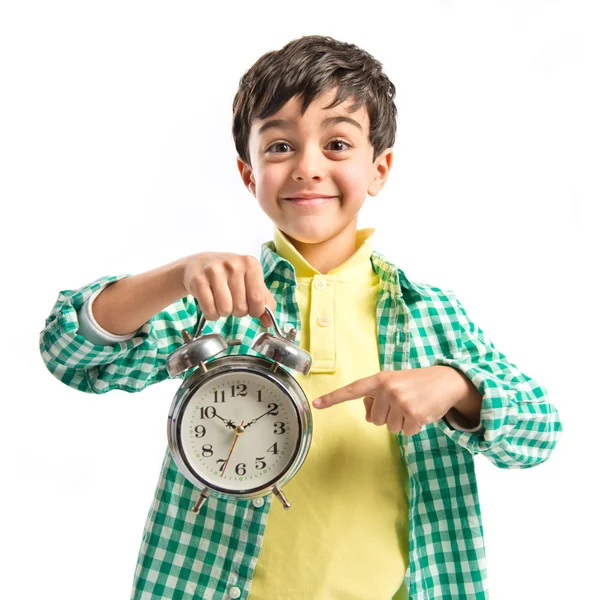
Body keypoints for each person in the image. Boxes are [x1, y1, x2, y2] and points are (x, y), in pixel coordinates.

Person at [39, 34, 562, 600]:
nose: (307, 168)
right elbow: (71, 355)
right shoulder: (220, 304)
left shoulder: (428, 314)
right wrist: (176, 275)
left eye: (337, 144)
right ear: (248, 174)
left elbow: (539, 435)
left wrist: (460, 385)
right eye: (280, 147)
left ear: (379, 168)